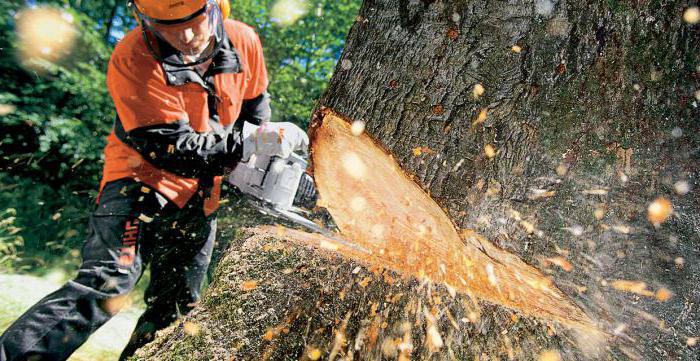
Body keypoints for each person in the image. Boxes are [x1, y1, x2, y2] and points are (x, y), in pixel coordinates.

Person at [0, 0, 308, 360]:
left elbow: (255, 110)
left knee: (177, 310)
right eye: (170, 28)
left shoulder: (244, 41)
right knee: (107, 283)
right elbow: (170, 148)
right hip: (137, 183)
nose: (187, 36)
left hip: (203, 193)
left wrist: (262, 149)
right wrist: (246, 143)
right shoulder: (133, 57)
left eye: (196, 22)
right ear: (145, 20)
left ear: (217, 8)